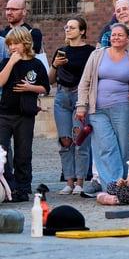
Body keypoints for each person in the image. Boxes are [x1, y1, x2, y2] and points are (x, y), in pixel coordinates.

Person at [75, 23, 129, 192]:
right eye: (113, 34)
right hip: (98, 110)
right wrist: (81, 106)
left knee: (124, 148)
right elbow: (85, 82)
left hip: (123, 108)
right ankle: (111, 186)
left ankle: (124, 184)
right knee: (105, 147)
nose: (116, 37)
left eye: (120, 35)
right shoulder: (97, 55)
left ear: (127, 38)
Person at [0, 27, 50, 202]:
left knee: (23, 153)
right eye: (10, 44)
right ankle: (7, 186)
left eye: (16, 43)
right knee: (2, 152)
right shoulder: (6, 61)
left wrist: (30, 88)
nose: (13, 47)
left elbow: (45, 87)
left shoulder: (36, 64)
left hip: (25, 115)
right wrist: (11, 63)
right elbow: (0, 81)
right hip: (4, 114)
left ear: (26, 43)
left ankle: (22, 188)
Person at [48, 17, 95, 195]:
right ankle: (69, 181)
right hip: (61, 96)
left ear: (82, 31)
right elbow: (50, 80)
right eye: (67, 27)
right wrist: (55, 65)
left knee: (80, 140)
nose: (68, 30)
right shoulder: (61, 51)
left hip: (79, 97)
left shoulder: (90, 52)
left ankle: (80, 183)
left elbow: (93, 76)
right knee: (64, 141)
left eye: (72, 27)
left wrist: (85, 91)